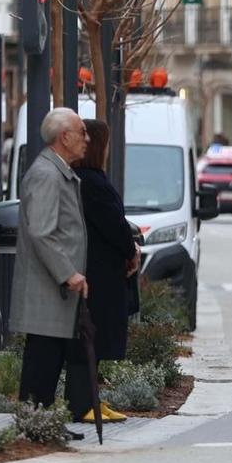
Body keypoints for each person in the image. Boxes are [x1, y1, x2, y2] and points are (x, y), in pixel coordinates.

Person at [10, 108, 91, 440]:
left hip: (53, 289)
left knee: (48, 358)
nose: (87, 139)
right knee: (43, 359)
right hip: (49, 288)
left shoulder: (57, 172)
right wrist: (68, 273)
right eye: (82, 131)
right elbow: (42, 231)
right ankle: (35, 427)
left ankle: (42, 425)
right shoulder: (47, 174)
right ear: (64, 137)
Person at [76, 118, 137, 425]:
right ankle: (84, 403)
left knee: (94, 341)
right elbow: (114, 224)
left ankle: (92, 400)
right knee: (91, 339)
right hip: (98, 274)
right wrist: (131, 250)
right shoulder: (91, 182)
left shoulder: (90, 180)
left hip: (100, 271)